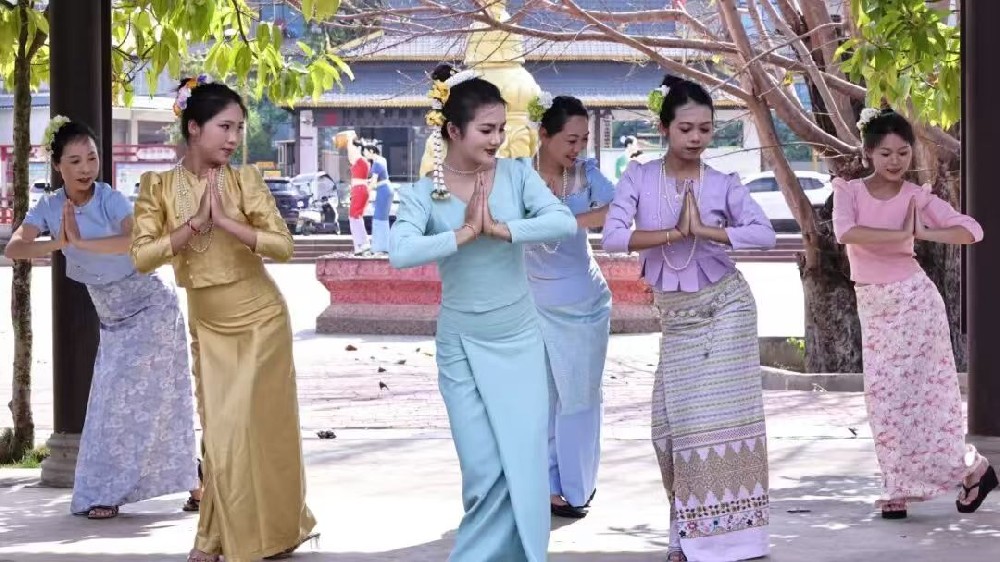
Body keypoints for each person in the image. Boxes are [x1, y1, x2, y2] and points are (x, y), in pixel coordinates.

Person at [389, 64, 577, 561]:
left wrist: (502, 230)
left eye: (501, 129)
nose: (497, 140)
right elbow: (400, 252)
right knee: (483, 468)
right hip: (461, 347)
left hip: (519, 339)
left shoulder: (516, 175)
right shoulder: (425, 192)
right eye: (487, 130)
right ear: (453, 130)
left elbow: (562, 222)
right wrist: (464, 234)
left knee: (524, 463)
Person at [130, 76, 316, 562]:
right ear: (194, 128)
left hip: (261, 319)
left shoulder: (244, 180)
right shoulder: (158, 187)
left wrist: (228, 223)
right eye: (224, 127)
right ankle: (220, 534)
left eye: (238, 128)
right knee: (220, 433)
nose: (233, 139)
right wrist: (194, 225)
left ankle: (251, 535)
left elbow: (283, 246)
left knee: (259, 431)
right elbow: (142, 257)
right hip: (208, 324)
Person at [602, 74, 776, 562]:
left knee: (712, 424)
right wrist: (674, 234)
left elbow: (763, 234)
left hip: (728, 310)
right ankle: (692, 531)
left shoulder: (723, 183)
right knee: (669, 427)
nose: (697, 138)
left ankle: (717, 539)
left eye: (705, 128)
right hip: (677, 321)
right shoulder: (638, 178)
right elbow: (612, 237)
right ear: (664, 128)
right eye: (686, 128)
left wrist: (706, 231)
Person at [4, 117, 198, 520]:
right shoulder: (50, 207)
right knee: (116, 405)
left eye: (91, 158)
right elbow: (15, 248)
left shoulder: (109, 198)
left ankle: (125, 492)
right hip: (113, 320)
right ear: (57, 165)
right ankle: (189, 482)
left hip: (152, 310)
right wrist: (59, 242)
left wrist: (81, 242)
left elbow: (135, 240)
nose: (85, 168)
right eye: (75, 160)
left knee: (157, 401)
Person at [832, 108, 995, 520]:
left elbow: (972, 230)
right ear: (869, 153)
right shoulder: (849, 191)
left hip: (914, 301)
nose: (895, 161)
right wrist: (901, 233)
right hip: (874, 305)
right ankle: (921, 479)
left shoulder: (915, 197)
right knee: (884, 400)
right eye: (886, 153)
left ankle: (920, 483)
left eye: (903, 153)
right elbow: (845, 231)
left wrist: (924, 232)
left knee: (925, 400)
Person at [524, 94, 614, 519]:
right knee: (541, 397)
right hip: (531, 303)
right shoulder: (517, 177)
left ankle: (577, 488)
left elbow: (619, 210)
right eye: (570, 140)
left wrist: (571, 221)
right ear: (544, 134)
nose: (578, 148)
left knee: (579, 397)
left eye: (583, 139)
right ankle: (546, 486)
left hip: (583, 303)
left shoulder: (587, 175)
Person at [346, 133, 372, 255]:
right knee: (356, 217)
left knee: (353, 217)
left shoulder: (360, 160)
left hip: (359, 189)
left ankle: (360, 244)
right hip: (361, 189)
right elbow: (350, 155)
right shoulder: (363, 161)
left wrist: (350, 139)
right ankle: (362, 244)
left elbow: (351, 151)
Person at [367, 142, 394, 255]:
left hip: (383, 190)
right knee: (383, 218)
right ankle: (385, 246)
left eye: (365, 152)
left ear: (371, 151)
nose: (364, 154)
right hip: (386, 189)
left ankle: (379, 247)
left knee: (378, 218)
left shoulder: (376, 163)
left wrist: (365, 191)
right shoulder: (382, 160)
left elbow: (374, 181)